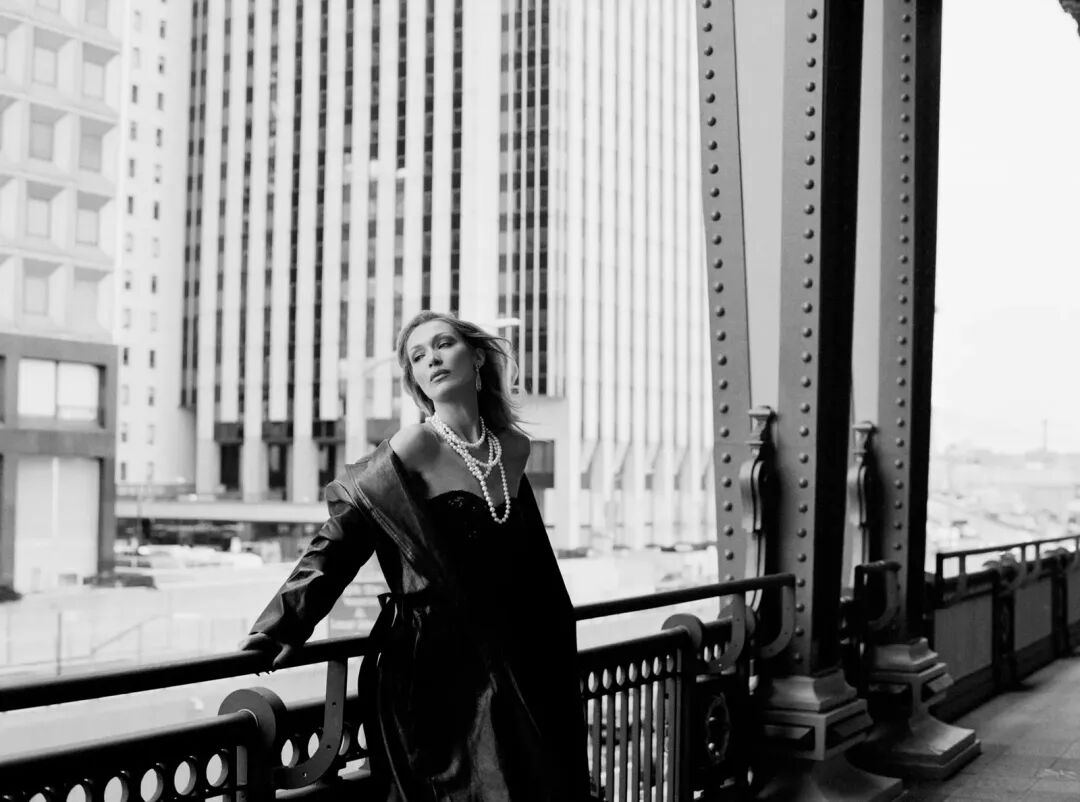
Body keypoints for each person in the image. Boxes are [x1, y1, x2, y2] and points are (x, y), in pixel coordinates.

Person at [241, 310, 591, 801]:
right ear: (416, 381)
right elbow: (342, 536)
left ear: (477, 357)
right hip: (434, 669)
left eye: (444, 344)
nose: (432, 360)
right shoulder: (415, 444)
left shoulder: (512, 448)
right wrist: (285, 622)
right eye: (418, 356)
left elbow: (532, 563)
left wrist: (553, 646)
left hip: (514, 657)